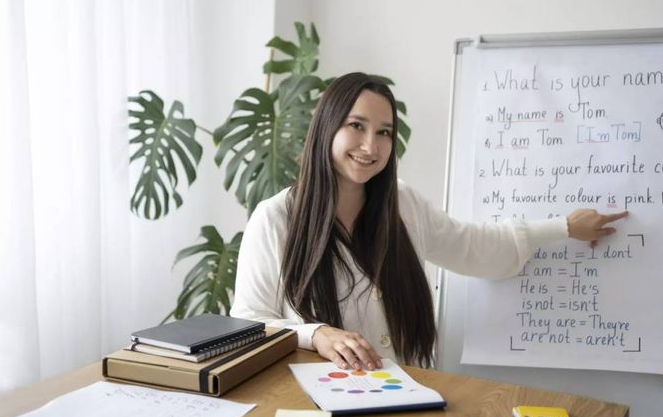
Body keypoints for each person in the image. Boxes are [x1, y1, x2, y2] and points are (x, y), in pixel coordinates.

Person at [230, 72, 628, 371]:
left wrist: (564, 227)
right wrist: (315, 333)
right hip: (316, 404)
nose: (371, 146)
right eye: (356, 126)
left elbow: (476, 248)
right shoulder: (275, 218)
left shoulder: (403, 205)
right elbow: (248, 322)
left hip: (406, 395)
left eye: (384, 132)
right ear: (326, 128)